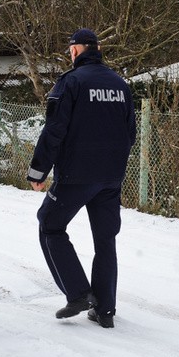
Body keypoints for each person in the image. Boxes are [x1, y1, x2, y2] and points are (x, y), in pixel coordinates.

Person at [27, 28, 136, 329]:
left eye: (70, 49)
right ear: (97, 49)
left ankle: (76, 293)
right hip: (111, 177)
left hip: (76, 175)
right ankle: (105, 310)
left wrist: (39, 171)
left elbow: (54, 130)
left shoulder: (71, 82)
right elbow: (131, 135)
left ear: (76, 50)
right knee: (105, 240)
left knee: (49, 223)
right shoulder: (120, 85)